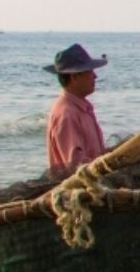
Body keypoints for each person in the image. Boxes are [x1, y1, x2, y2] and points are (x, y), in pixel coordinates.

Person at [44, 44, 108, 178]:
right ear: (74, 77)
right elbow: (75, 166)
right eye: (90, 72)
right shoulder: (67, 113)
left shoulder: (83, 108)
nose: (95, 77)